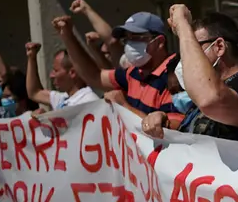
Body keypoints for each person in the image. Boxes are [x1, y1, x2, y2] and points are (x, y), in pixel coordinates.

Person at [141, 5, 238, 148]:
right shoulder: (210, 93)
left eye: (194, 46)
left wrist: (182, 25)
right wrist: (164, 122)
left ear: (219, 47)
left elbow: (211, 101)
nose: (189, 55)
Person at [53, 12, 184, 126]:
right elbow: (95, 77)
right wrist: (68, 37)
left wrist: (124, 106)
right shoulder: (133, 73)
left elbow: (171, 131)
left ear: (159, 42)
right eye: (127, 39)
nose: (129, 45)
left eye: (136, 38)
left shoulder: (175, 76)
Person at [24, 42, 100, 110]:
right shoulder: (62, 98)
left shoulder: (90, 101)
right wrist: (32, 57)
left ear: (72, 73)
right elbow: (34, 92)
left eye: (56, 70)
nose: (51, 75)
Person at [70, 0, 124, 66]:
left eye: (109, 52)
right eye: (105, 53)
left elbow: (112, 41)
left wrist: (86, 9)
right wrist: (94, 49)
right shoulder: (115, 74)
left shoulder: (131, 66)